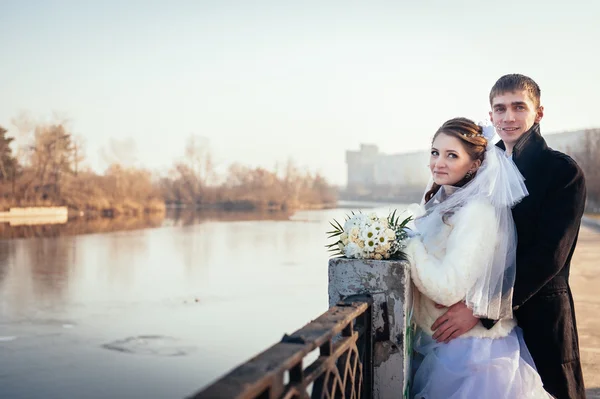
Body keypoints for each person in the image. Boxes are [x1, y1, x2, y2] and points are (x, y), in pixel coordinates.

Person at [430, 74, 586, 399]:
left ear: (538, 113)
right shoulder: (482, 166)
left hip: (541, 317)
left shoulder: (563, 172)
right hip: (487, 331)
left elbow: (549, 257)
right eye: (500, 109)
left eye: (519, 107)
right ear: (490, 116)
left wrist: (480, 309)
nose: (508, 117)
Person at [405, 117, 551, 398]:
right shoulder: (446, 204)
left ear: (474, 164)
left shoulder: (477, 212)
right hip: (448, 344)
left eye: (452, 155)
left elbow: (448, 289)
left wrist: (408, 247)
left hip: (471, 355)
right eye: (435, 152)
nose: (439, 163)